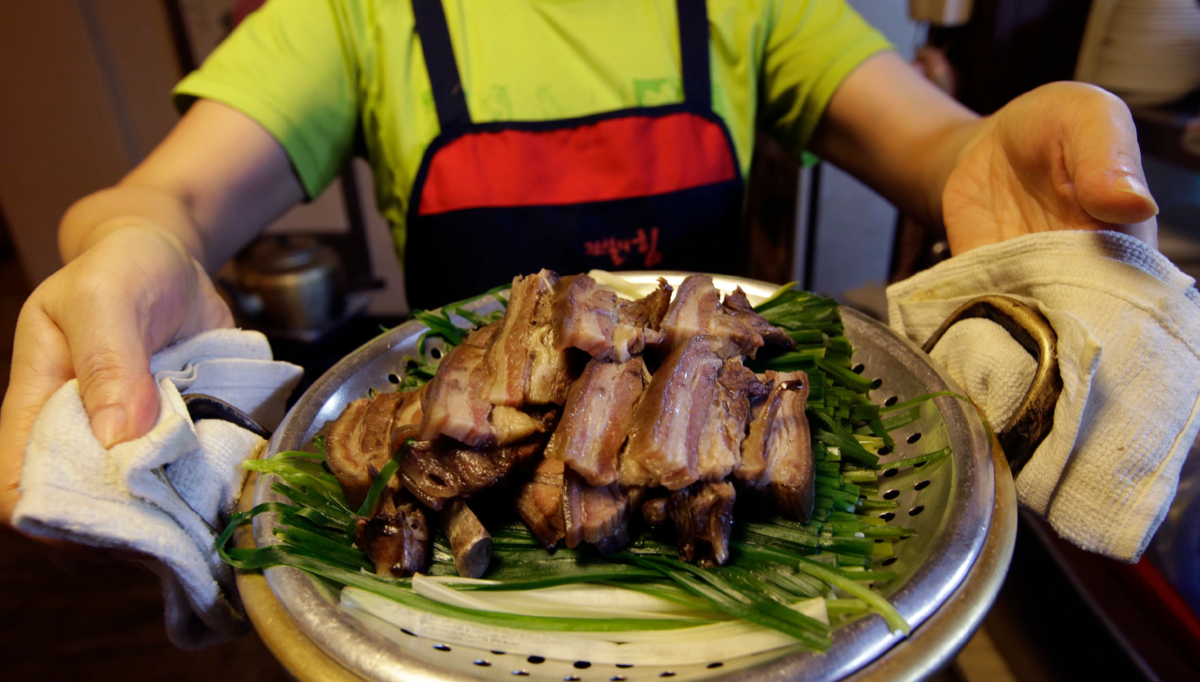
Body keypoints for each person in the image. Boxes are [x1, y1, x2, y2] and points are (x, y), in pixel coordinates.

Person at [0, 0, 1159, 531]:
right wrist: (131, 239)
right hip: (479, 506)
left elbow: (936, 143)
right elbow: (173, 193)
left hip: (687, 485)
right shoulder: (354, 14)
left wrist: (983, 153)